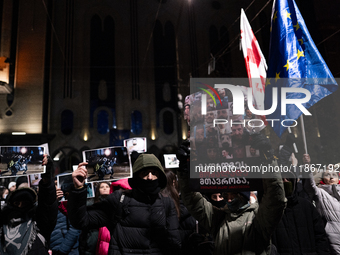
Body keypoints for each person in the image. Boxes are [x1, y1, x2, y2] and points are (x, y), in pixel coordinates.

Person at [176, 133, 287, 254]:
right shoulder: (218, 219)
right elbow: (193, 201)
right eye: (226, 195)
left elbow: (275, 198)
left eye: (234, 195)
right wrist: (184, 170)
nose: (229, 200)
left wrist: (269, 161)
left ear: (243, 195)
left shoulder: (259, 218)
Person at [68, 153, 181, 255]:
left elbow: (174, 243)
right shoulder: (120, 200)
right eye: (145, 173)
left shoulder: (167, 203)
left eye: (154, 173)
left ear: (159, 176)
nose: (150, 177)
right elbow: (82, 220)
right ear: (137, 176)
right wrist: (78, 189)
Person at [0, 154, 58, 254]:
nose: (20, 205)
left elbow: (48, 204)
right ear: (11, 204)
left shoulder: (38, 222)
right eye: (17, 202)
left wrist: (47, 176)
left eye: (25, 202)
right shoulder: (3, 222)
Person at [271, 171, 330, 254]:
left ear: (294, 182)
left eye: (288, 179)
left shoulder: (306, 206)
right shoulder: (272, 209)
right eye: (282, 179)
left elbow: (320, 236)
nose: (285, 181)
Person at [304, 163, 340, 254]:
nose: (331, 178)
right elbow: (310, 186)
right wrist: (308, 169)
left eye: (334, 175)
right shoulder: (320, 192)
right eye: (327, 175)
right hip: (333, 239)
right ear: (323, 179)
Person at [50, 177, 81, 255]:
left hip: (69, 250)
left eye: (58, 184)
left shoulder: (69, 202)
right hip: (52, 250)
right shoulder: (47, 204)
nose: (57, 187)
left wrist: (62, 250)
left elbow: (74, 229)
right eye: (54, 185)